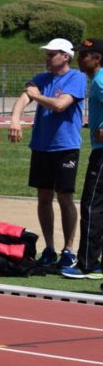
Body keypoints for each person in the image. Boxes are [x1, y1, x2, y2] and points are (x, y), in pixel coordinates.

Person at [8, 38, 86, 271]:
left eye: (52, 54)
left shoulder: (77, 78)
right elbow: (24, 98)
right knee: (43, 197)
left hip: (65, 147)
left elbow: (61, 105)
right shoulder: (41, 78)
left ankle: (69, 250)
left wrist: (36, 96)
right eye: (47, 54)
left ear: (66, 56)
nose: (47, 58)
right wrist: (15, 119)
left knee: (65, 198)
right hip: (41, 146)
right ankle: (50, 248)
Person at [64, 39, 103, 279]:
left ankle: (87, 263)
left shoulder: (99, 81)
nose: (79, 58)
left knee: (92, 204)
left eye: (84, 55)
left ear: (97, 58)